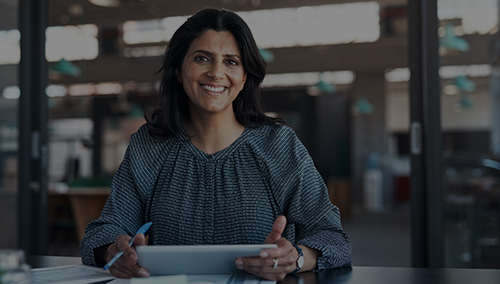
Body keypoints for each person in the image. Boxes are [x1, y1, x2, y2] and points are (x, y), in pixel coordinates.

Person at [80, 7, 352, 281]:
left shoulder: (279, 146)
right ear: (178, 69)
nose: (216, 72)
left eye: (231, 62)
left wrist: (296, 257)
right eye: (202, 58)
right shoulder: (149, 146)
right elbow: (101, 233)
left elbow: (334, 239)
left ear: (244, 76)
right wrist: (114, 252)